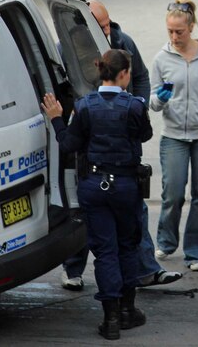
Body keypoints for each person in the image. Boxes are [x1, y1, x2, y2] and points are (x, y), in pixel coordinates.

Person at [59, 0, 182, 291]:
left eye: (106, 24)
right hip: (91, 146)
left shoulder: (121, 41)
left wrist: (134, 105)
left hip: (119, 155)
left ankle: (146, 271)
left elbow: (140, 78)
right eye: (99, 27)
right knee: (86, 214)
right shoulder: (67, 48)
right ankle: (74, 269)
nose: (107, 30)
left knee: (132, 215)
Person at [41, 49, 151, 341]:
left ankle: (111, 318)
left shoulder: (84, 106)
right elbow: (145, 135)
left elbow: (68, 144)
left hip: (94, 186)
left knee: (105, 251)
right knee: (127, 246)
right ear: (124, 74)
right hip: (126, 185)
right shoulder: (135, 106)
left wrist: (56, 119)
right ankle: (128, 310)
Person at [149, 0, 198, 272]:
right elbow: (153, 101)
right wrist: (160, 100)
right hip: (174, 136)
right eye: (170, 31)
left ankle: (197, 252)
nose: (174, 36)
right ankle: (166, 242)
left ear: (191, 27)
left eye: (180, 31)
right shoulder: (161, 58)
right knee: (173, 193)